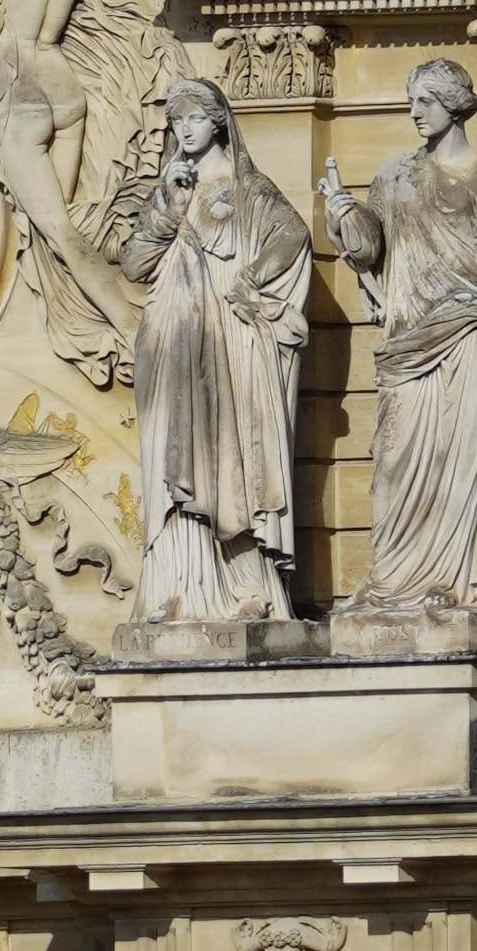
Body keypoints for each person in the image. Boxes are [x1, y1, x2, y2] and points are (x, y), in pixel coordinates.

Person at [319, 59, 477, 629]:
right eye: (411, 100)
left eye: (426, 100)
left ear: (453, 103)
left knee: (462, 468)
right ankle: (397, 582)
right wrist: (344, 212)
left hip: (472, 336)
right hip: (408, 343)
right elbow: (370, 249)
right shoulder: (393, 175)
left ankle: (464, 583)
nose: (415, 112)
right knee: (396, 468)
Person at [107, 76, 310, 639]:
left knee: (232, 460)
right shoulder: (170, 188)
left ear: (218, 120)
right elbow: (134, 264)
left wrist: (249, 282)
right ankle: (178, 586)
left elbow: (291, 238)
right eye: (175, 121)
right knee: (175, 458)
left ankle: (243, 581)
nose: (183, 129)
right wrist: (167, 209)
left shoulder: (249, 188)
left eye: (193, 117)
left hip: (227, 338)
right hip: (172, 338)